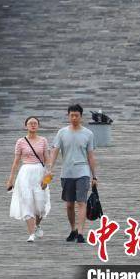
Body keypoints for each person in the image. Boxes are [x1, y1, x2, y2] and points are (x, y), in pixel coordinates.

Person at [47, 104, 99, 244]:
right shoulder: (62, 133)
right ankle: (73, 229)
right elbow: (55, 151)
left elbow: (91, 156)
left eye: (77, 115)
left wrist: (94, 176)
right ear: (68, 116)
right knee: (69, 204)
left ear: (81, 116)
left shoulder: (88, 134)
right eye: (72, 115)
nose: (74, 118)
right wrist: (50, 167)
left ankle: (81, 233)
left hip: (83, 172)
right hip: (67, 173)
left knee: (81, 202)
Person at [7, 116, 52, 242]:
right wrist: (11, 178)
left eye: (35, 123)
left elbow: (47, 159)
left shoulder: (43, 140)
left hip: (39, 172)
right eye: (30, 123)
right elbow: (16, 162)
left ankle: (37, 225)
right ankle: (31, 233)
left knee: (40, 205)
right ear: (26, 125)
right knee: (27, 201)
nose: (33, 125)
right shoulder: (20, 142)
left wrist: (48, 174)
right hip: (25, 173)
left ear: (38, 126)